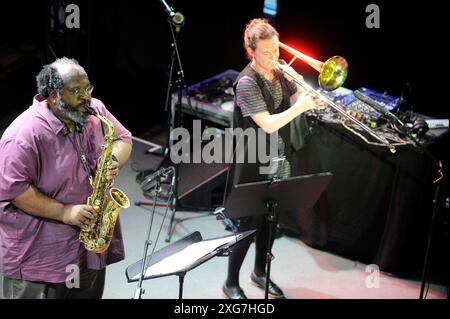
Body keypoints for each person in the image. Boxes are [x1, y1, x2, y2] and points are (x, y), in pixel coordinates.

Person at [0, 57, 132, 299]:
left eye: (88, 88)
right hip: (41, 257)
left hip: (88, 245)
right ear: (53, 94)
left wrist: (112, 160)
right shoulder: (22, 136)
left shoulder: (94, 111)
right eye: (76, 91)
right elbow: (15, 191)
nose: (86, 97)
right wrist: (64, 212)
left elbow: (123, 139)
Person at [222, 18, 322, 299]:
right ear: (251, 51)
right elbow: (266, 123)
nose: (274, 57)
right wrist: (299, 106)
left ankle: (260, 272)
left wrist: (304, 89)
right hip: (252, 160)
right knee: (247, 224)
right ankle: (230, 282)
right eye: (267, 52)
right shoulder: (246, 82)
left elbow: (298, 94)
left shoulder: (277, 72)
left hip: (278, 157)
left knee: (270, 220)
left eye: (277, 50)